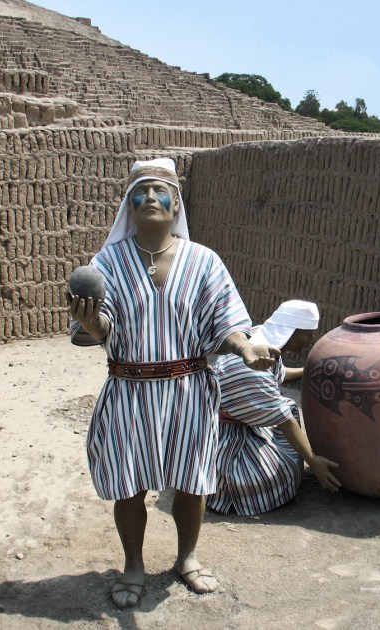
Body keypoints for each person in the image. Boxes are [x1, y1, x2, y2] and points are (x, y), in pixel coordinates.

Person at [67, 158, 280, 608]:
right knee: (130, 484)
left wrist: (245, 348)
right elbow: (100, 330)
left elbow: (226, 320)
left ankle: (187, 557)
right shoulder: (107, 262)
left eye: (160, 191)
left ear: (176, 203)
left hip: (190, 391)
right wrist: (93, 324)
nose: (149, 198)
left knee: (192, 481)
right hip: (130, 390)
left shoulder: (203, 261)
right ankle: (133, 566)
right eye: (140, 192)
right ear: (128, 204)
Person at [208, 300, 341, 516]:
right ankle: (229, 492)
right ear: (294, 331)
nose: (311, 340)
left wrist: (312, 369)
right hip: (228, 441)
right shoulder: (252, 368)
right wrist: (313, 462)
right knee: (278, 472)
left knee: (289, 421)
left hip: (245, 422)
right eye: (309, 334)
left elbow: (280, 374)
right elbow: (284, 420)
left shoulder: (261, 342)